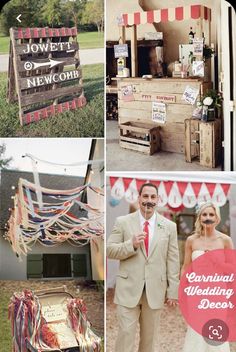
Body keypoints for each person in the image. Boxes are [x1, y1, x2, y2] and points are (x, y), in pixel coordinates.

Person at [107, 182, 180, 352]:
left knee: (150, 339)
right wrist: (130, 245)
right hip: (128, 289)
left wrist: (173, 291)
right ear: (139, 198)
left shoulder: (169, 226)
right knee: (125, 334)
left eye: (152, 197)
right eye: (145, 196)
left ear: (158, 200)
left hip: (155, 289)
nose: (149, 200)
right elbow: (110, 250)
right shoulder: (123, 222)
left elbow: (173, 260)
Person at [181, 202, 234, 352]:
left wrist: (218, 264)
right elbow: (185, 267)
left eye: (211, 214)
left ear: (217, 218)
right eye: (204, 214)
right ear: (199, 217)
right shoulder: (192, 240)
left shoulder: (225, 240)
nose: (208, 217)